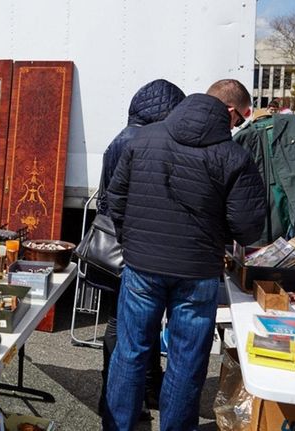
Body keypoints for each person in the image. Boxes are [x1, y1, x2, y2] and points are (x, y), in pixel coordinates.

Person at [103, 79, 266, 430]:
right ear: (230, 111)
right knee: (186, 361)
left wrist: (132, 242)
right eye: (240, 119)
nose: (238, 126)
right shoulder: (234, 155)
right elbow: (248, 227)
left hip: (142, 266)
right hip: (198, 271)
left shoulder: (144, 138)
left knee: (130, 354)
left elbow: (114, 199)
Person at [94, 79, 186, 418]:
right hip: (131, 249)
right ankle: (113, 399)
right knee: (123, 325)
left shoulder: (123, 136)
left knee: (131, 324)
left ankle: (143, 391)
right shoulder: (143, 140)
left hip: (122, 246)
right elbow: (123, 201)